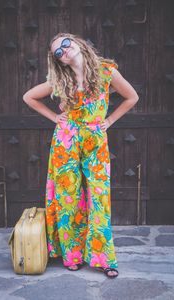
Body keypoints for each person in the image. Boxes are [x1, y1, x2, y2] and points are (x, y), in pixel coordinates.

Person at [23, 32, 139, 278]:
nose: (64, 50)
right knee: (68, 198)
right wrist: (55, 117)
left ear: (77, 43)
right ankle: (71, 255)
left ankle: (104, 258)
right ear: (59, 60)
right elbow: (29, 97)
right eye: (58, 52)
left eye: (66, 44)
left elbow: (131, 97)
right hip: (66, 141)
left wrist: (109, 120)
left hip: (95, 142)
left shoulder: (106, 71)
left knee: (99, 197)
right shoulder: (60, 78)